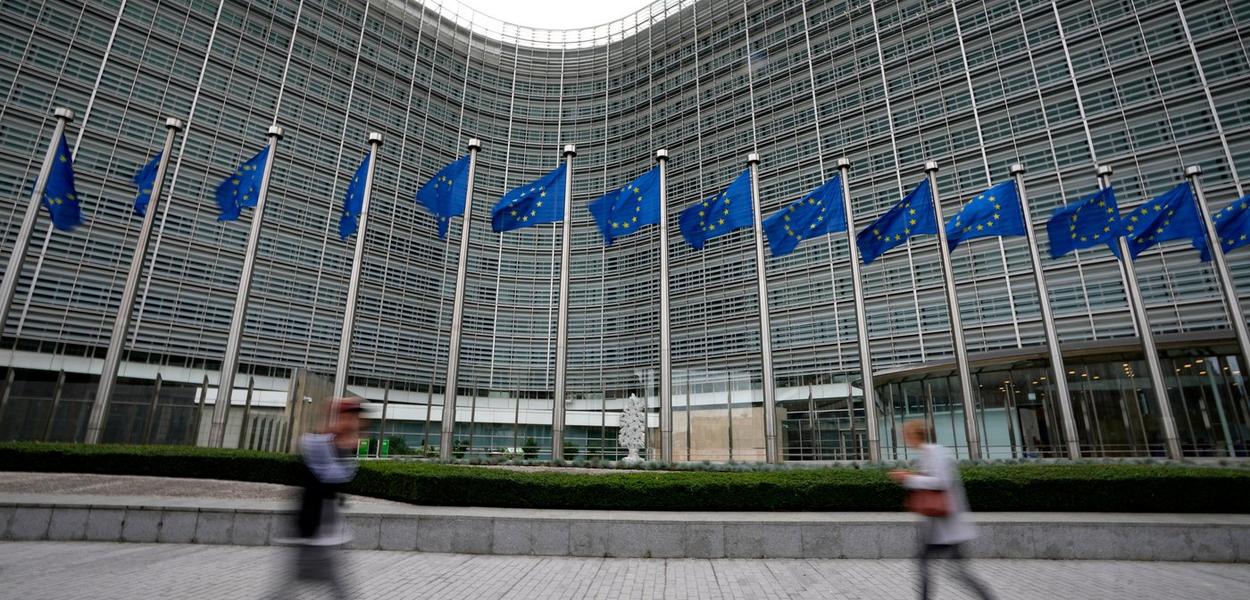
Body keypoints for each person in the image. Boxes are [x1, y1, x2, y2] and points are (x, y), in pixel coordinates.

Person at [270, 398, 365, 600]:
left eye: (355, 418)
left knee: (289, 588)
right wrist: (332, 432)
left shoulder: (340, 449)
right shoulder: (318, 445)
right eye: (349, 417)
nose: (354, 423)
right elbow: (332, 472)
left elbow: (344, 475)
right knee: (334, 588)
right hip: (312, 534)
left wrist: (342, 442)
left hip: (324, 534)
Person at [890, 420, 995, 600]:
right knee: (928, 565)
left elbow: (941, 482)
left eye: (906, 435)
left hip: (948, 525)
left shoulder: (937, 453)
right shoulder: (927, 454)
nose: (905, 440)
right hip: (936, 525)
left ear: (916, 435)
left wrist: (909, 478)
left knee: (955, 571)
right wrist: (911, 477)